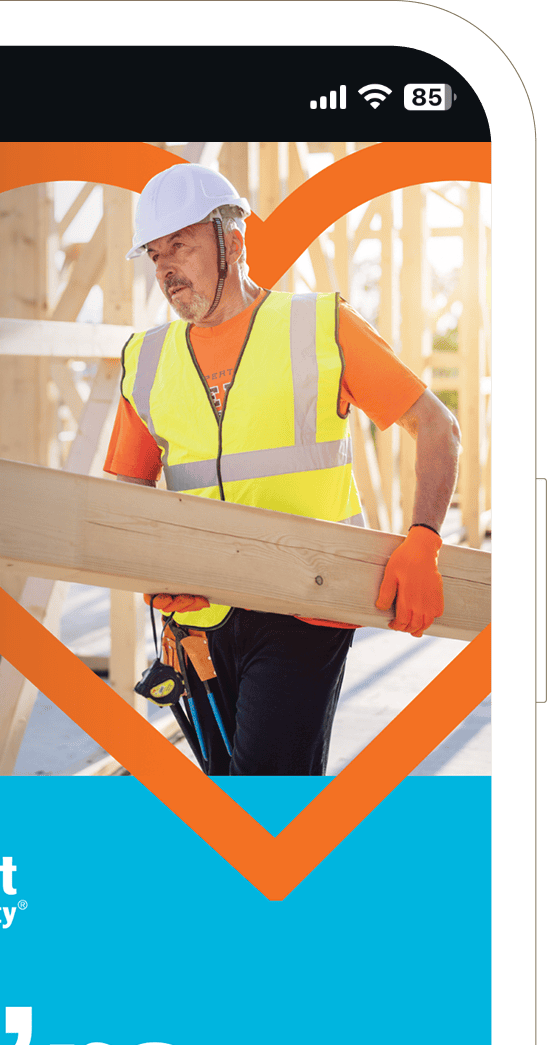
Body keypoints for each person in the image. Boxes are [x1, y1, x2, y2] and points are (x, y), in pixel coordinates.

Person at [103, 164, 461, 776]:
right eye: (155, 254)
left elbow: (436, 427)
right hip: (196, 617)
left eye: (181, 245)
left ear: (232, 240)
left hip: (304, 607)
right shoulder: (146, 359)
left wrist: (422, 539)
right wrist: (151, 570)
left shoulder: (319, 325)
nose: (165, 269)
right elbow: (127, 492)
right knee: (228, 794)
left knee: (268, 790)